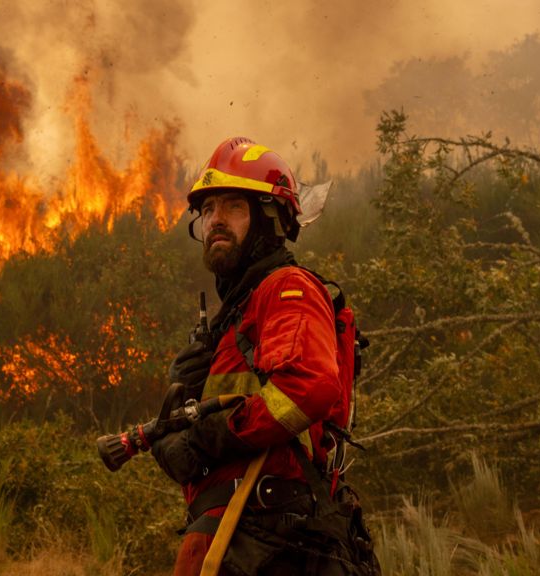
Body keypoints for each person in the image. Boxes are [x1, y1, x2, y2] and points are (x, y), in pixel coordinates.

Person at [151, 137, 379, 575]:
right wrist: (178, 420)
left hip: (275, 544)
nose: (216, 220)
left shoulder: (285, 287)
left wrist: (208, 437)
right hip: (233, 537)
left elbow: (307, 387)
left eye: (234, 206)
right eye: (209, 209)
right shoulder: (238, 315)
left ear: (270, 219)